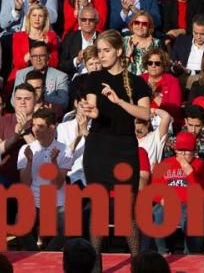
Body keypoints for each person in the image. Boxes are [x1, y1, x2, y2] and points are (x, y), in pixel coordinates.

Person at [81, 31, 151, 264]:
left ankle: (137, 262)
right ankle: (95, 265)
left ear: (119, 51)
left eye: (106, 50)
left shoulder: (136, 82)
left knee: (126, 209)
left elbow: (145, 113)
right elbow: (92, 106)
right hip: (98, 147)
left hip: (124, 148)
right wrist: (91, 112)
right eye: (99, 50)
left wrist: (119, 101)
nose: (101, 55)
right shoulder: (93, 78)